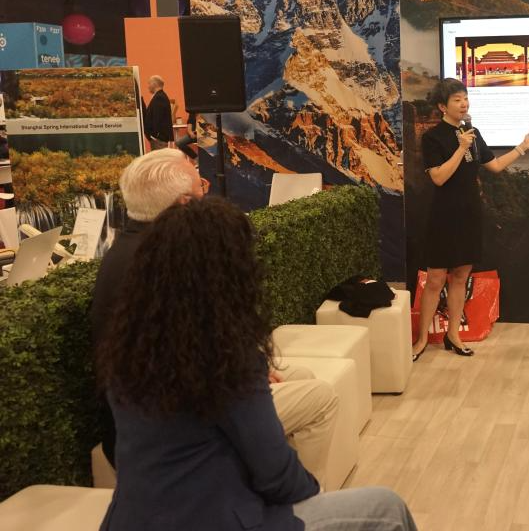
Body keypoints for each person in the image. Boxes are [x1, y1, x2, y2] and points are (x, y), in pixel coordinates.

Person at [95, 196, 418, 531]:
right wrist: (312, 497)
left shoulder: (129, 347)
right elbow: (277, 474)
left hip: (130, 521)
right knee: (387, 506)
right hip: (216, 520)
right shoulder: (224, 358)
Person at [92, 149, 337, 486]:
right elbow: (194, 360)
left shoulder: (124, 251)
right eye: (201, 186)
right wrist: (248, 374)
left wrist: (251, 370)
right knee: (321, 398)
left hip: (163, 406)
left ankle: (272, 480)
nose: (207, 193)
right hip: (183, 420)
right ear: (184, 204)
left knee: (301, 376)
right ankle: (300, 499)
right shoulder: (170, 264)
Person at [412, 78, 529, 360]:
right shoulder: (432, 137)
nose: (464, 104)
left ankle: (453, 335)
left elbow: (494, 166)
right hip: (443, 215)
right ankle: (421, 339)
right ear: (442, 106)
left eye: (465, 98)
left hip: (470, 214)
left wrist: (521, 148)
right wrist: (460, 148)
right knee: (435, 279)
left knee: (461, 276)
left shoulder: (472, 133)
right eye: (457, 100)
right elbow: (439, 177)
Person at [143, 75, 173, 150]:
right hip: (158, 138)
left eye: (149, 83)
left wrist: (155, 135)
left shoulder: (159, 97)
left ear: (154, 84)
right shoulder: (160, 96)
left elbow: (157, 118)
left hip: (158, 139)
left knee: (160, 157)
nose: (148, 86)